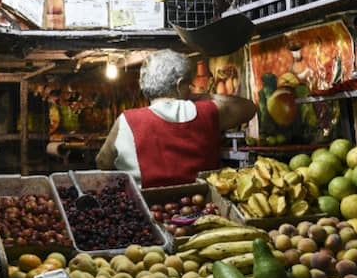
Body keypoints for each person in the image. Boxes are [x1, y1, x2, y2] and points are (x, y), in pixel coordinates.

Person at [96, 49, 258, 188]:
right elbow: (249, 108)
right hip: (202, 208)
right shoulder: (207, 111)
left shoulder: (125, 120)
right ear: (181, 84)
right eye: (190, 85)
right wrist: (199, 95)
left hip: (147, 210)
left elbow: (103, 162)